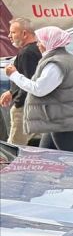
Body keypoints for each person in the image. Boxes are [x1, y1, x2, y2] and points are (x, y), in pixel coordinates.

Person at [5, 25, 73, 152]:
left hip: (62, 122)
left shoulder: (55, 64)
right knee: (46, 154)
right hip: (58, 119)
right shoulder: (66, 59)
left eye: (40, 41)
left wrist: (14, 75)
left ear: (50, 42)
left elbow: (39, 89)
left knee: (71, 157)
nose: (38, 45)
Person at [0, 17, 42, 145]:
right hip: (34, 107)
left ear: (24, 34)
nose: (9, 36)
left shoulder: (27, 53)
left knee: (15, 147)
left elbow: (28, 83)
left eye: (13, 32)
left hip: (25, 108)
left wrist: (17, 105)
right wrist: (11, 92)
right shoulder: (33, 50)